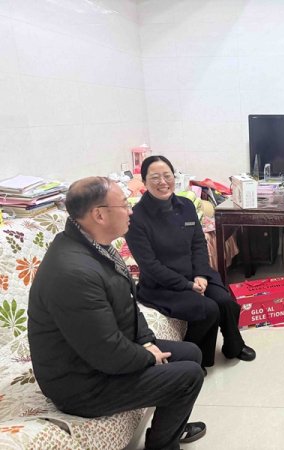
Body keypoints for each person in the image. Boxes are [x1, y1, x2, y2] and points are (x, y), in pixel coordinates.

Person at [28, 177, 207, 450]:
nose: (131, 211)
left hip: (101, 355)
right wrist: (149, 356)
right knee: (188, 376)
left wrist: (146, 340)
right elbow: (106, 353)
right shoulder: (73, 273)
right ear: (99, 215)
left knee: (191, 353)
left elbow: (128, 302)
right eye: (124, 205)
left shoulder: (96, 245)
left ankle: (168, 430)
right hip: (82, 383)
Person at [125, 155, 255, 373]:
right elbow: (150, 266)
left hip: (195, 272)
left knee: (224, 300)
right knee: (208, 309)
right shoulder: (136, 217)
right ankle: (196, 359)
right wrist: (187, 285)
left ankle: (234, 346)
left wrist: (201, 274)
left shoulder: (185, 205)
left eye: (167, 176)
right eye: (155, 177)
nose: (163, 182)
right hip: (161, 284)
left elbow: (198, 243)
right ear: (144, 182)